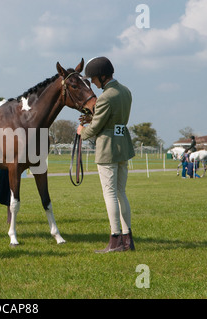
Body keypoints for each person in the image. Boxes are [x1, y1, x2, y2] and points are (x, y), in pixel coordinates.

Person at [77, 57, 135, 253]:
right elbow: (113, 119)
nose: (93, 82)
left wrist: (82, 131)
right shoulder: (125, 91)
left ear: (102, 76)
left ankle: (115, 240)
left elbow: (96, 128)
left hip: (108, 148)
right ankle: (128, 239)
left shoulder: (105, 97)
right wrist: (94, 117)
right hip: (123, 145)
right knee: (121, 193)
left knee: (109, 193)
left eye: (93, 78)